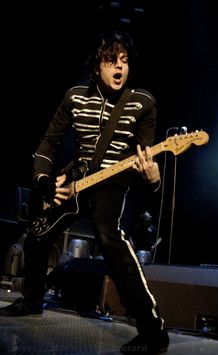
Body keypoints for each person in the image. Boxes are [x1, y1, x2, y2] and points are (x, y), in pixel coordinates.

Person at [0, 30, 169, 354]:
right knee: (37, 234)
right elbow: (48, 143)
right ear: (97, 66)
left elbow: (146, 158)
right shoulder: (75, 96)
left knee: (109, 236)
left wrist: (153, 177)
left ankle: (153, 332)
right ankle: (32, 300)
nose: (119, 68)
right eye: (111, 60)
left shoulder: (142, 102)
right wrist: (44, 182)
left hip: (112, 183)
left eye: (124, 61)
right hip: (75, 181)